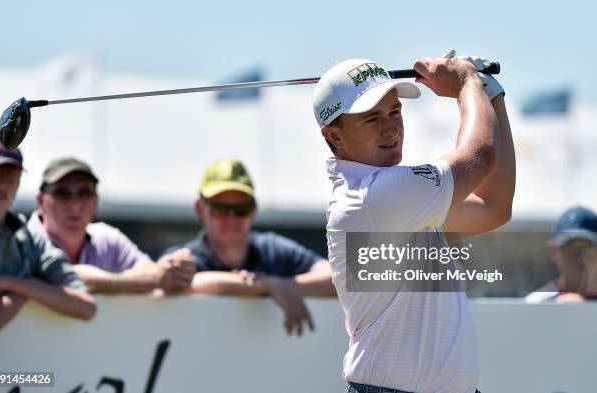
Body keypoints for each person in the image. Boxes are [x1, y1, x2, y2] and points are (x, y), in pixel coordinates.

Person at [314, 53, 514, 393]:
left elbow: (493, 207)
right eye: (371, 118)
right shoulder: (374, 197)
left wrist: (489, 93)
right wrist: (467, 83)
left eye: (395, 111)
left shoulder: (399, 199)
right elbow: (481, 154)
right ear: (334, 137)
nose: (391, 127)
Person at [162, 157, 336, 336]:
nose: (231, 218)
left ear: (254, 209)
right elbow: (176, 283)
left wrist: (280, 285)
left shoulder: (273, 250)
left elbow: (339, 278)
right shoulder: (187, 256)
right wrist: (267, 286)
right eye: (220, 209)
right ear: (200, 209)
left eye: (241, 209)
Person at [27, 157, 195, 294]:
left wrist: (170, 269)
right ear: (40, 201)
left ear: (95, 201)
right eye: (62, 193)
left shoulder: (108, 238)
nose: (75, 204)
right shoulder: (24, 240)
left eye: (84, 193)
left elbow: (151, 271)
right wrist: (155, 279)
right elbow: (73, 277)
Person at [0, 138, 96, 335]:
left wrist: (17, 284)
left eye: (10, 174)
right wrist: (33, 284)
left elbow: (85, 306)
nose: (2, 183)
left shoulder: (29, 240)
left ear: (19, 182)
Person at [525, 206, 597, 303]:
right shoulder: (536, 303)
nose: (579, 257)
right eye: (570, 247)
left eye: (586, 247)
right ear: (553, 251)